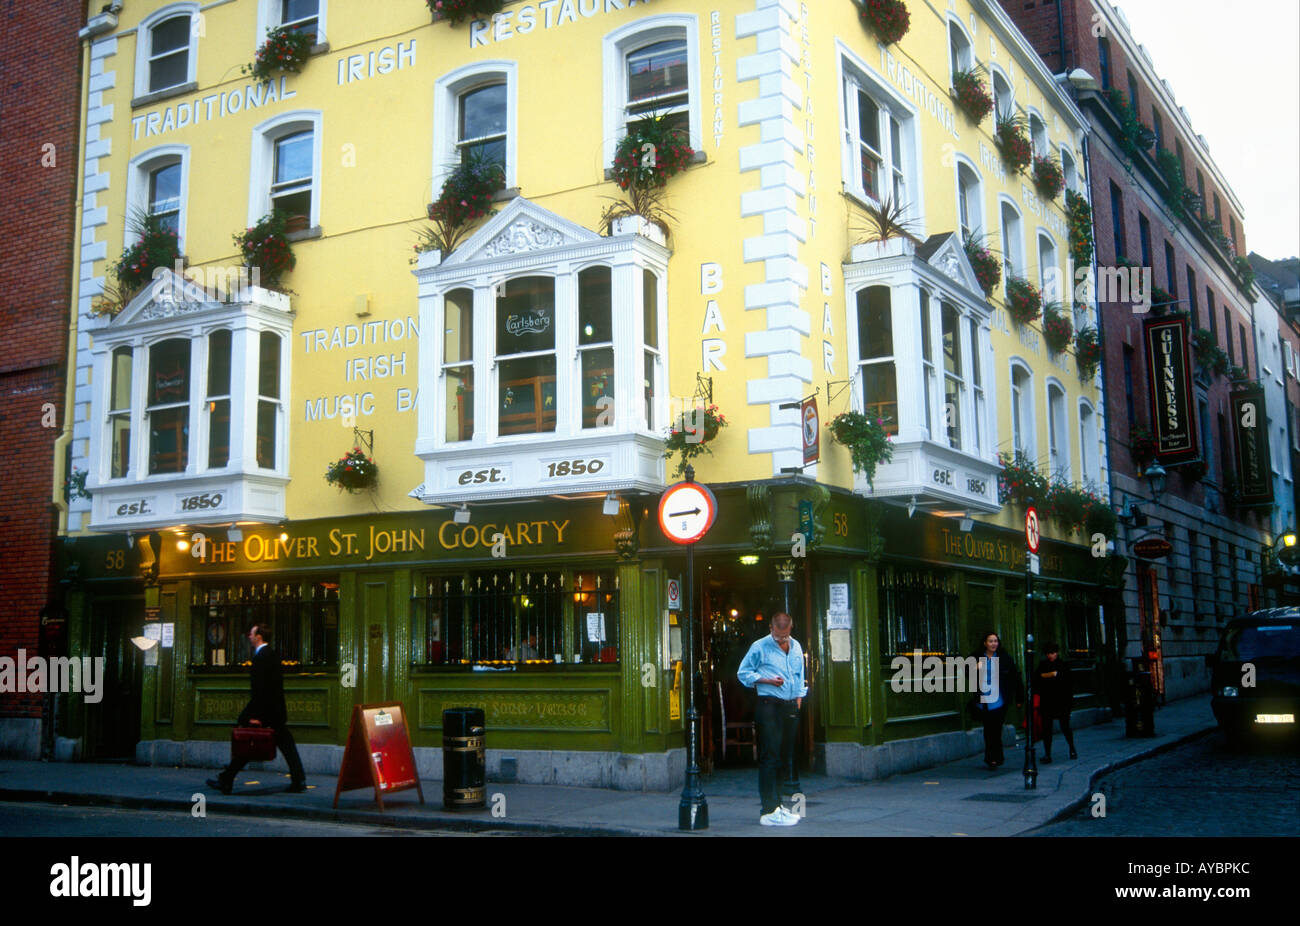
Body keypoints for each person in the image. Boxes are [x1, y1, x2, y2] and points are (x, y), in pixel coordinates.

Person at [208, 622, 306, 795]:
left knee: (247, 744)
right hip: (275, 711)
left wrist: (255, 715)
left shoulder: (261, 657)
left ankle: (226, 778)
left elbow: (261, 690)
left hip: (266, 712)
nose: (249, 636)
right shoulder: (272, 654)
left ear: (259, 636)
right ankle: (298, 780)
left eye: (252, 634)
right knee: (284, 746)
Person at [736, 612, 806, 826]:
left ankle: (777, 805)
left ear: (791, 629)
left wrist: (798, 699)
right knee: (770, 757)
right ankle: (768, 810)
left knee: (785, 757)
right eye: (778, 637)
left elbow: (799, 675)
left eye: (785, 637)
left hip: (788, 706)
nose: (781, 640)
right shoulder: (759, 646)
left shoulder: (796, 647)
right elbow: (743, 673)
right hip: (768, 705)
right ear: (770, 628)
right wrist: (766, 680)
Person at [969, 631, 1023, 769]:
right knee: (988, 730)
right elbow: (966, 671)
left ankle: (996, 757)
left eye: (995, 641)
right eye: (991, 641)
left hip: (999, 700)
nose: (994, 644)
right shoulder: (976, 657)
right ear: (985, 643)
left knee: (996, 729)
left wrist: (1019, 697)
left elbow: (1015, 678)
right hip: (984, 699)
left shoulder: (1005, 658)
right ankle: (990, 757)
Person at [1035, 643, 1077, 762]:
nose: (1050, 656)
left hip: (1061, 701)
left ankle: (1072, 748)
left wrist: (1047, 677)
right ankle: (1047, 754)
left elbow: (1067, 683)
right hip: (1047, 701)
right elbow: (1036, 679)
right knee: (1047, 729)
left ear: (1057, 653)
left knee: (1065, 727)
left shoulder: (1063, 665)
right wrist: (1052, 675)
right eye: (1048, 653)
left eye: (1052, 653)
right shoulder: (1043, 664)